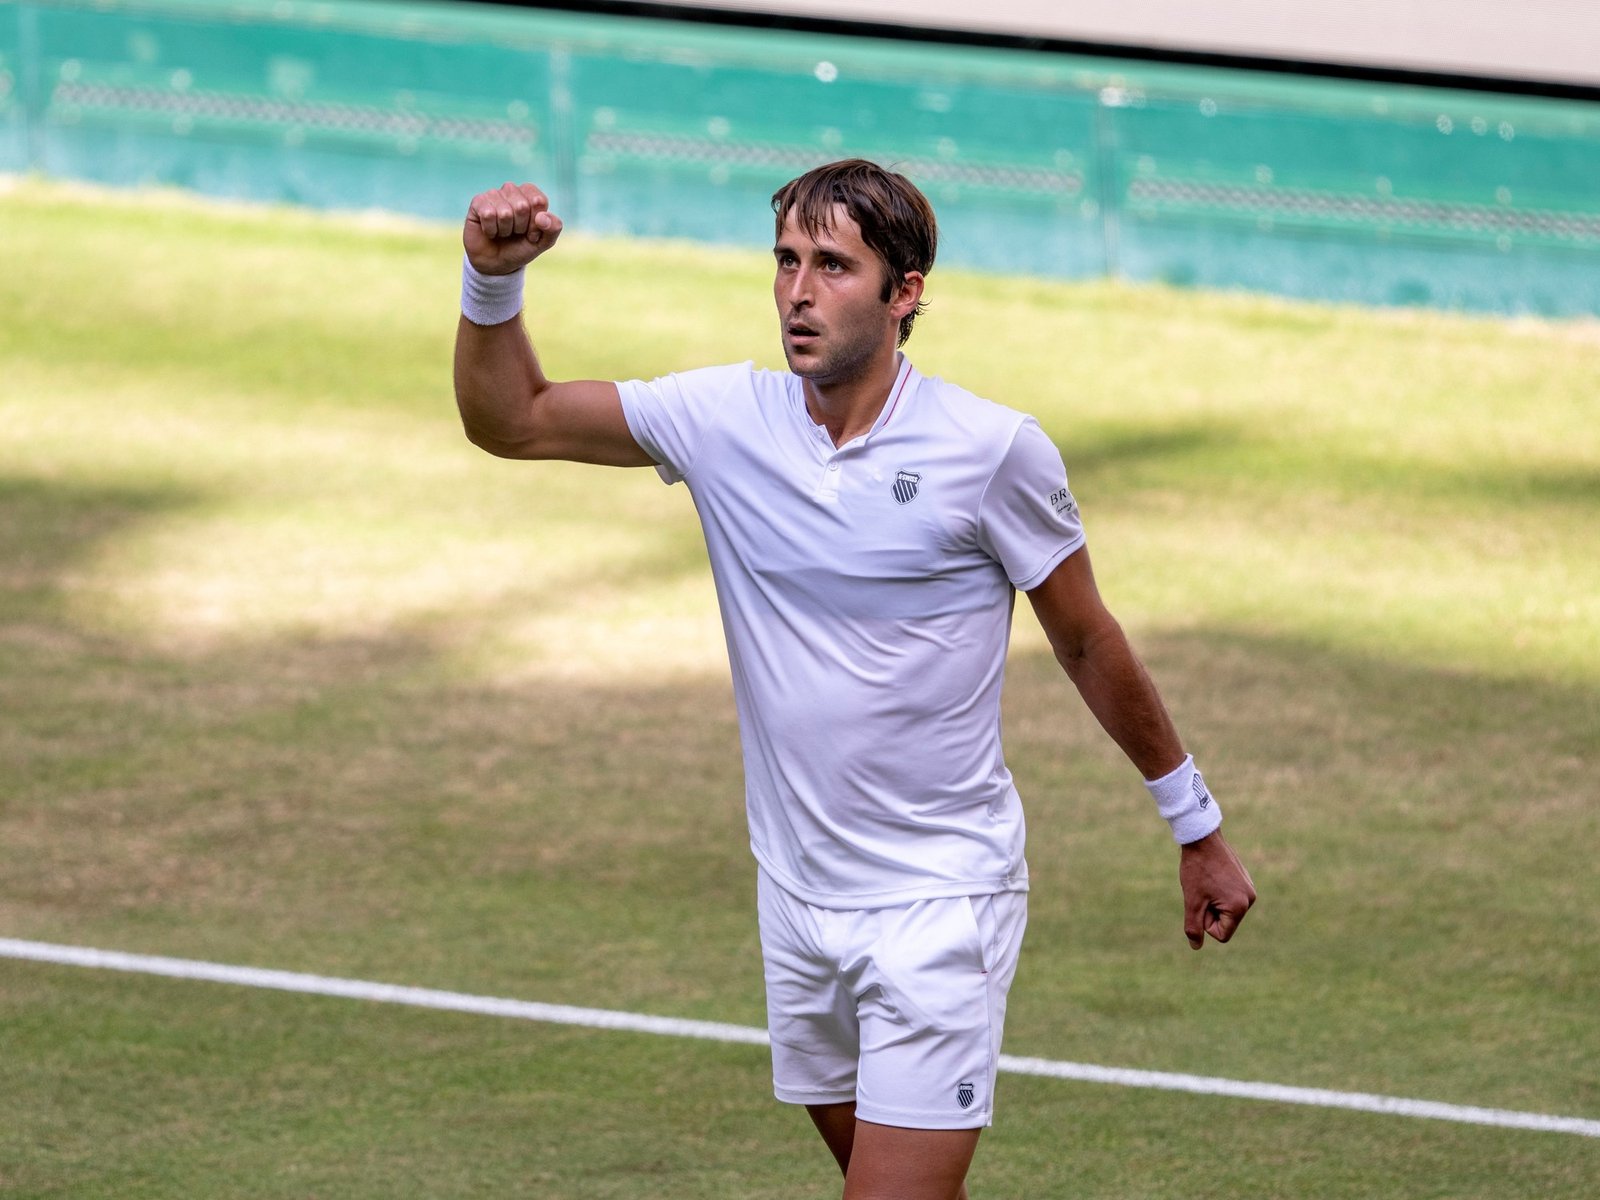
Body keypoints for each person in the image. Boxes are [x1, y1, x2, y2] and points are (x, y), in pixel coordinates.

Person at [453, 159, 1255, 1200]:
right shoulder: (722, 421)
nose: (798, 289)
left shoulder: (990, 452)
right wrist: (490, 281)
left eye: (834, 265)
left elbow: (1086, 640)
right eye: (786, 261)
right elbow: (511, 420)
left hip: (938, 905)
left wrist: (1192, 824)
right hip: (794, 895)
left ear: (904, 292)